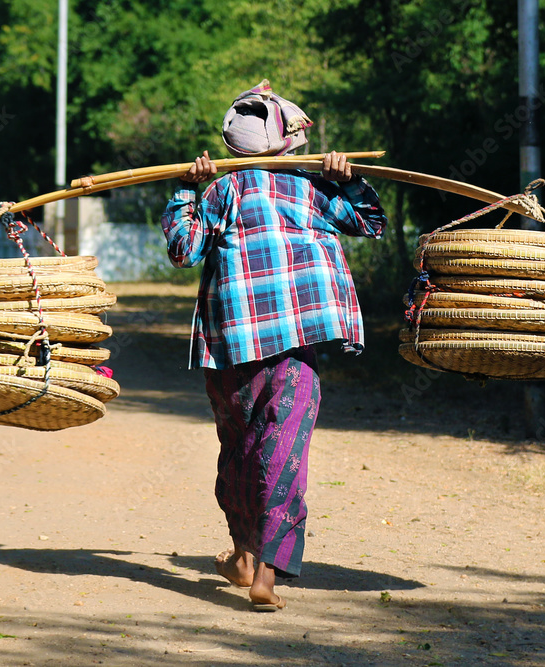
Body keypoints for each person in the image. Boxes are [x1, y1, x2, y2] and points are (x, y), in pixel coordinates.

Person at [159, 80, 387, 611]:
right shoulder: (313, 191)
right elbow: (372, 223)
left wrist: (183, 193)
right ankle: (261, 570)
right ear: (285, 145)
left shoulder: (221, 191)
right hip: (293, 350)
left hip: (231, 349)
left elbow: (183, 250)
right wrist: (348, 183)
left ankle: (244, 550)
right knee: (283, 450)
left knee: (238, 449)